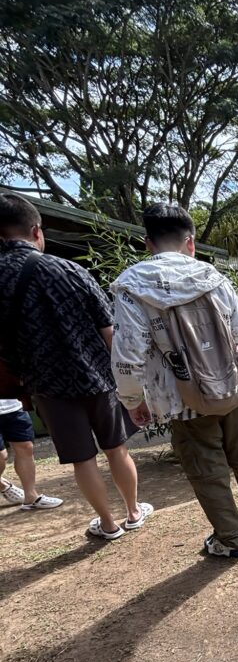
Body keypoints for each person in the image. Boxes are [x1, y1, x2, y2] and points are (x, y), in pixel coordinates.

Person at [110, 203, 238, 559]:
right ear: (191, 242)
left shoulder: (133, 285)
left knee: (206, 469)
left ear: (148, 243)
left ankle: (230, 539)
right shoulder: (212, 277)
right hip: (234, 387)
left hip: (181, 397)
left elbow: (128, 354)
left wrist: (133, 400)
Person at [0, 193, 151, 539]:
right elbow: (110, 332)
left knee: (83, 459)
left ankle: (108, 524)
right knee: (117, 449)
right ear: (36, 231)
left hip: (48, 386)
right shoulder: (70, 270)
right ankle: (132, 512)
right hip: (98, 377)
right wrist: (131, 382)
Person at [0, 398, 63, 510]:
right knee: (1, 456)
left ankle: (31, 497)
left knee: (26, 447)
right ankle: (2, 484)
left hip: (14, 406)